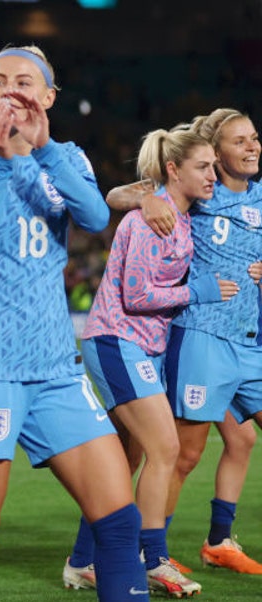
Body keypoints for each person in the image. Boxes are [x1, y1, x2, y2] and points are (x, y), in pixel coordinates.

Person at [0, 46, 218, 602]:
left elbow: (92, 215)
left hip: (57, 372)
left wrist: (38, 150)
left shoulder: (67, 157)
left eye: (24, 82)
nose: (10, 91)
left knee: (117, 523)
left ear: (49, 96)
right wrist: (3, 163)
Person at [63, 127, 233, 600]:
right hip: (118, 340)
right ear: (174, 169)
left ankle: (83, 561)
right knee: (165, 449)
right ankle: (152, 557)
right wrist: (194, 292)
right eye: (203, 167)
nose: (212, 176)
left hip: (142, 346)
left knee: (127, 457)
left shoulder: (176, 214)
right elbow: (137, 296)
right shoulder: (149, 221)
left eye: (214, 167)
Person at [113, 108, 262, 576]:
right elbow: (116, 195)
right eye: (240, 142)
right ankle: (149, 549)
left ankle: (218, 540)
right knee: (185, 452)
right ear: (215, 156)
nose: (253, 146)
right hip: (201, 337)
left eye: (254, 138)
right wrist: (145, 201)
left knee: (241, 441)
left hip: (249, 341)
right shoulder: (200, 192)